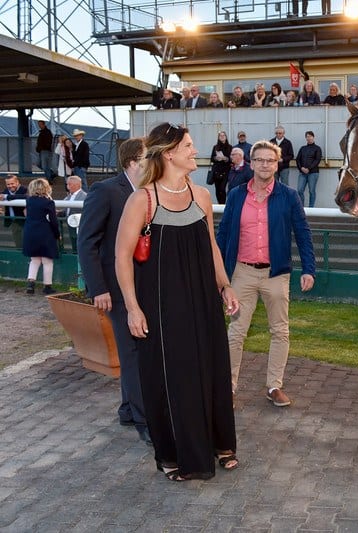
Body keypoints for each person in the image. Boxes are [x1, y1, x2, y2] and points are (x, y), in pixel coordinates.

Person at [115, 122, 239, 481]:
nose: (193, 150)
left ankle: (219, 443)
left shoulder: (201, 195)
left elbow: (212, 246)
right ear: (169, 153)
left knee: (211, 369)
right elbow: (122, 257)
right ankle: (175, 454)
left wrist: (225, 286)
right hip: (162, 307)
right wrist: (133, 307)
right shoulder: (142, 199)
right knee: (173, 377)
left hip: (203, 302)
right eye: (187, 145)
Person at [216, 140, 316, 407]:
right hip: (241, 274)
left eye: (270, 160)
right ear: (251, 163)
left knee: (280, 332)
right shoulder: (236, 195)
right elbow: (223, 233)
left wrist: (309, 269)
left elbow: (303, 234)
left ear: (277, 164)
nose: (264, 164)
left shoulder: (289, 196)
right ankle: (229, 389)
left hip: (276, 275)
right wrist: (218, 274)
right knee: (236, 333)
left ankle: (274, 387)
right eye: (259, 159)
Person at [78, 137, 151, 446]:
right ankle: (144, 419)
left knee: (134, 349)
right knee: (133, 353)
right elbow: (87, 241)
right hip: (115, 288)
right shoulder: (105, 191)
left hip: (141, 285)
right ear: (133, 162)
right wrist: (99, 288)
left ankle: (126, 408)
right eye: (150, 157)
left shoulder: (149, 194)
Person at [22, 178, 60, 295]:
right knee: (47, 261)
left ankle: (31, 284)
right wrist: (57, 234)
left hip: (30, 231)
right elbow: (53, 221)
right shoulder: (48, 202)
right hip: (45, 232)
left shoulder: (29, 201)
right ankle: (47, 286)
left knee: (34, 260)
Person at [58, 175, 87, 252]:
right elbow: (64, 209)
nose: (67, 186)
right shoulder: (68, 197)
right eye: (67, 184)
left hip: (78, 225)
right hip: (67, 224)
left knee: (78, 243)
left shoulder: (85, 196)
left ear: (76, 185)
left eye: (69, 184)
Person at [296, 131, 322, 207]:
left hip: (313, 173)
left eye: (310, 136)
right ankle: (301, 207)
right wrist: (301, 168)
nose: (309, 138)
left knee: (311, 191)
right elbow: (298, 159)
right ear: (306, 138)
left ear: (313, 137)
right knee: (300, 190)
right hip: (302, 173)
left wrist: (309, 169)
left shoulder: (317, 148)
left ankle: (311, 208)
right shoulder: (302, 148)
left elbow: (317, 160)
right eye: (307, 136)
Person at [2, 175, 28, 248]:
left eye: (12, 183)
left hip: (25, 221)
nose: (10, 186)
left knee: (27, 243)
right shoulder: (6, 191)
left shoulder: (24, 190)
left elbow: (24, 197)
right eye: (8, 184)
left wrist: (6, 197)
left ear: (17, 183)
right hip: (13, 221)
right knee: (18, 244)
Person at [210, 131, 233, 204]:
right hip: (217, 171)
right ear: (218, 138)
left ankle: (223, 204)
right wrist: (216, 158)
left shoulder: (230, 147)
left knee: (222, 188)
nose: (222, 137)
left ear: (226, 137)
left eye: (223, 135)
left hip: (226, 171)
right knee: (217, 189)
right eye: (220, 136)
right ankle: (220, 204)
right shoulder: (215, 147)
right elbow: (212, 158)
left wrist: (226, 158)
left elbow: (232, 160)